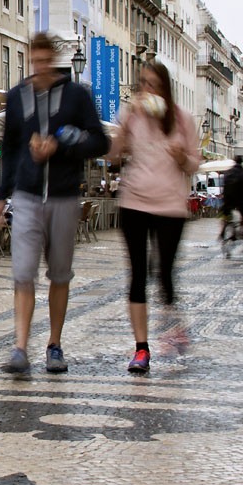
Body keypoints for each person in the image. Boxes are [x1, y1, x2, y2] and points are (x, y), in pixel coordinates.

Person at [0, 33, 110, 375]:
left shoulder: (76, 96)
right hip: (26, 196)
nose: (39, 67)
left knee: (59, 274)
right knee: (23, 274)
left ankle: (54, 344)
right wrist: (0, 198)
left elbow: (100, 141)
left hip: (64, 195)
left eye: (44, 61)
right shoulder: (16, 97)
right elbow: (9, 151)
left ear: (53, 60)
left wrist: (61, 145)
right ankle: (20, 346)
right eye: (34, 61)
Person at [106, 60, 200, 374]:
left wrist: (181, 156)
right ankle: (141, 349)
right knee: (137, 275)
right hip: (133, 202)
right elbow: (113, 157)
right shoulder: (130, 116)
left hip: (170, 206)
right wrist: (125, 125)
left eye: (154, 84)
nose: (147, 90)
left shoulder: (183, 120)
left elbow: (193, 166)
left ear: (165, 88)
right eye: (143, 83)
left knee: (165, 273)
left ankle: (174, 327)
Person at [220, 156, 243, 236]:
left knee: (226, 213)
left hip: (227, 198)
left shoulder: (228, 172)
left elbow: (223, 185)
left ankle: (223, 229)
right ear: (241, 163)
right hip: (239, 198)